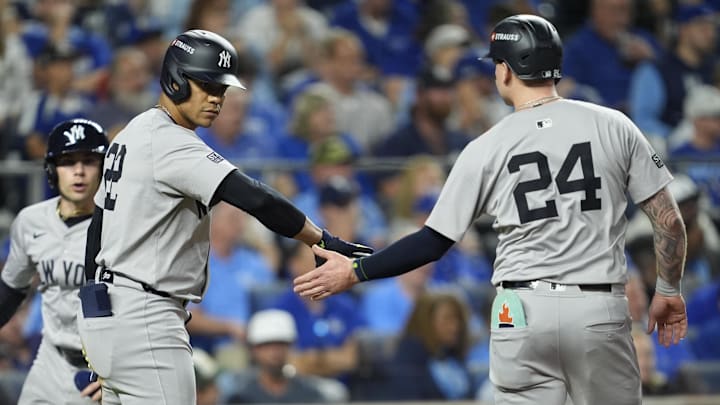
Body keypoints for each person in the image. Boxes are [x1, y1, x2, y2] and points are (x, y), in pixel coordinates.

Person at [295, 14, 689, 405]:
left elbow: (431, 242)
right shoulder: (613, 124)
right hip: (595, 304)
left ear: (505, 70)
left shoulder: (485, 147)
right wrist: (668, 289)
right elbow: (670, 222)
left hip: (519, 311)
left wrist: (356, 270)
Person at [76, 29, 372, 405]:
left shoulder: (131, 133)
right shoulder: (171, 141)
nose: (216, 99)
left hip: (110, 314)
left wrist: (96, 323)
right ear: (175, 79)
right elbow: (256, 198)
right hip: (146, 317)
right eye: (206, 85)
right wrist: (320, 239)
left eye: (221, 90)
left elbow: (96, 231)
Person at [0, 119, 109, 404]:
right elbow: (11, 289)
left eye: (89, 160)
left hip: (104, 371)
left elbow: (144, 308)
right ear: (51, 170)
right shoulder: (31, 221)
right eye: (67, 161)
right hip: (50, 360)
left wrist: (122, 371)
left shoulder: (121, 228)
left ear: (105, 168)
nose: (79, 171)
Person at [226, 309, 331, 403]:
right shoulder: (241, 397)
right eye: (266, 345)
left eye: (281, 344)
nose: (274, 351)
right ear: (253, 350)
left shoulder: (310, 394)